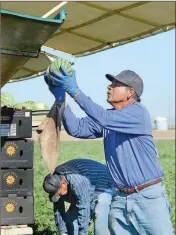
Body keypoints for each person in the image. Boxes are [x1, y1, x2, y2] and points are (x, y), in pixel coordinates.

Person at [44, 66, 173, 235]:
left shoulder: (137, 113)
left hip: (147, 199)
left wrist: (75, 91)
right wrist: (61, 99)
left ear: (130, 92)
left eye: (116, 84)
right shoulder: (110, 119)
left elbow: (103, 118)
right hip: (119, 199)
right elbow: (77, 129)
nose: (109, 86)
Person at [43, 158, 114, 235]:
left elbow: (84, 207)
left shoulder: (77, 182)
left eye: (59, 193)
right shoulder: (55, 180)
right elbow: (58, 208)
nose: (59, 195)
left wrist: (82, 232)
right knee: (70, 219)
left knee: (100, 218)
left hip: (104, 182)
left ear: (63, 183)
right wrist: (63, 231)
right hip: (86, 183)